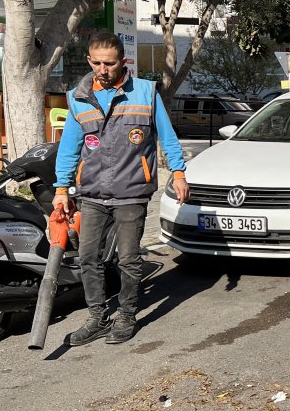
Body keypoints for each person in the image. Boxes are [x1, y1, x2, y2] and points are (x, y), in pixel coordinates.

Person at [53, 32, 189, 346]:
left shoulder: (145, 92)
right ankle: (97, 317)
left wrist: (179, 172)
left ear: (123, 61)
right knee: (88, 258)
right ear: (89, 61)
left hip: (131, 191)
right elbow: (69, 148)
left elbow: (166, 137)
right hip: (93, 193)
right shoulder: (78, 97)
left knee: (128, 259)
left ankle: (126, 315)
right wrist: (62, 189)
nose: (103, 69)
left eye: (110, 63)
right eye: (97, 63)